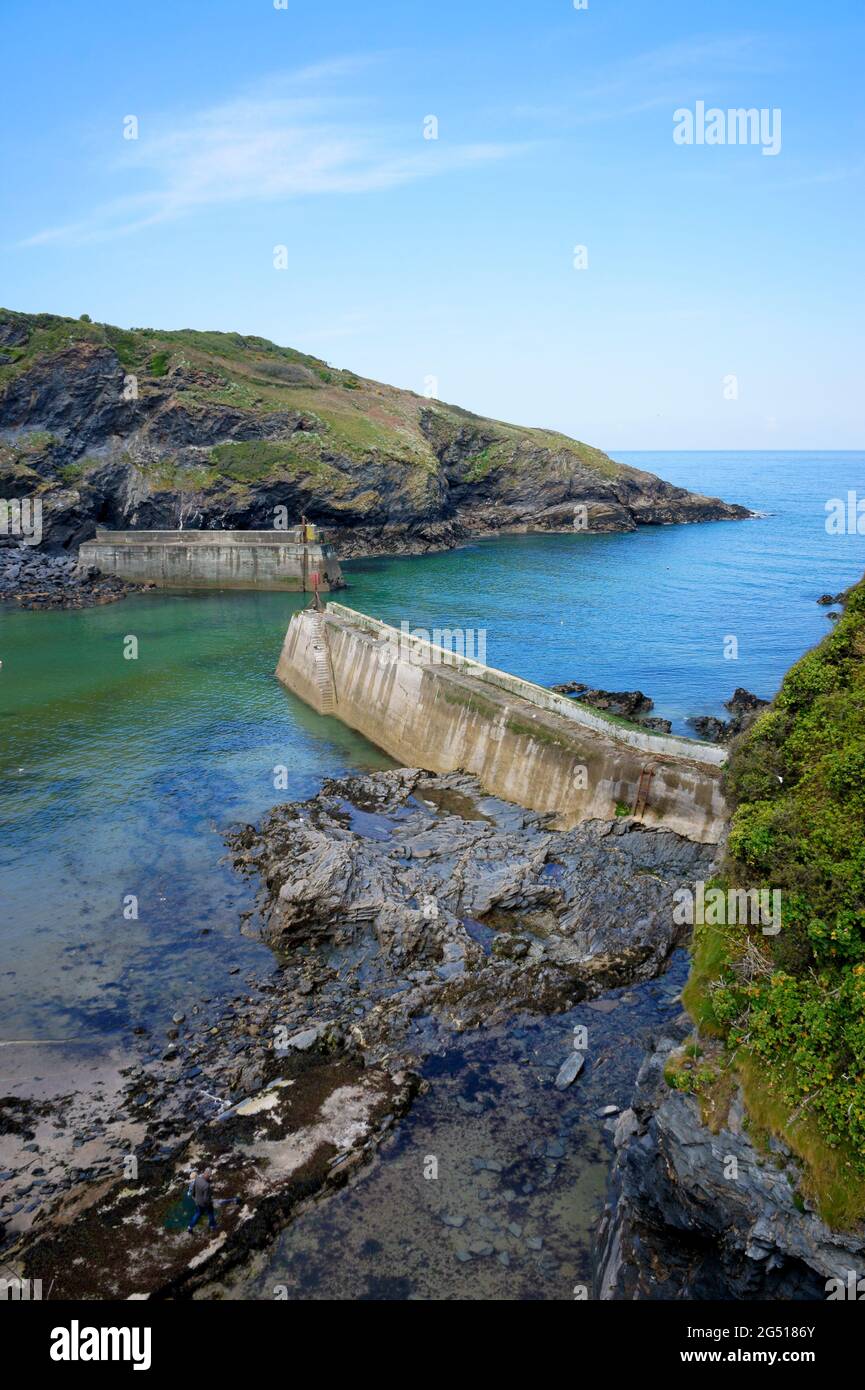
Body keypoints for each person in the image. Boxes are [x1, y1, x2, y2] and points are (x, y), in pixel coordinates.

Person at [187, 1168, 217, 1233]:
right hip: (204, 1204)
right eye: (210, 1175)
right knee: (210, 1213)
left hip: (198, 1202)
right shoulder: (206, 1186)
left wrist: (195, 1199)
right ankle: (212, 1226)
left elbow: (193, 1192)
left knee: (197, 1214)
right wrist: (209, 1203)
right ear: (208, 1175)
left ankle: (190, 1227)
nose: (210, 1177)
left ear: (204, 1173)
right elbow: (206, 1199)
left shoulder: (197, 1179)